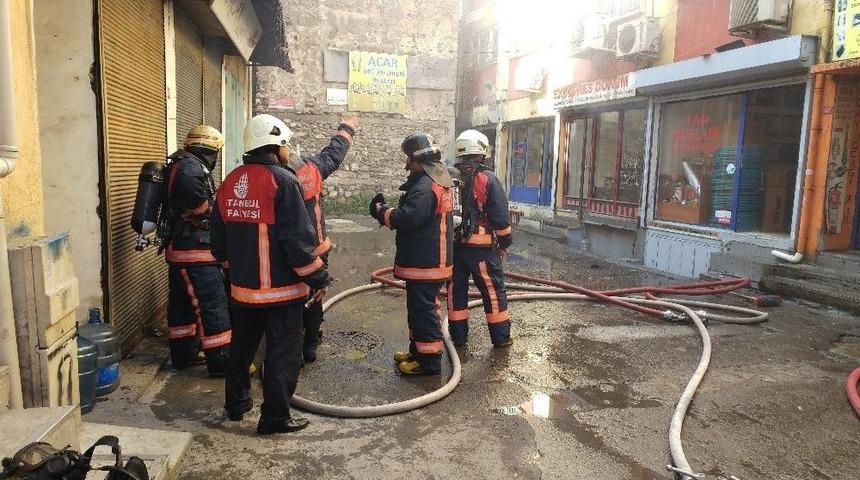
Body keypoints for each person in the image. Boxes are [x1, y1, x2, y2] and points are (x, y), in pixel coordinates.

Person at [211, 113, 331, 434]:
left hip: (242, 292)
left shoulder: (229, 182)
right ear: (276, 146)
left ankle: (236, 406)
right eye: (286, 145)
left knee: (241, 349)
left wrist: (232, 273)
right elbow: (297, 242)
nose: (289, 151)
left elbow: (218, 242)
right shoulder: (285, 181)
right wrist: (318, 277)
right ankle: (275, 418)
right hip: (281, 294)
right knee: (282, 355)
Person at [369, 132, 454, 375]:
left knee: (424, 311)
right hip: (428, 259)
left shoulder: (426, 186)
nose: (406, 165)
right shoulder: (435, 180)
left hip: (426, 261)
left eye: (409, 159)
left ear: (419, 160)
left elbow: (407, 218)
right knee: (418, 310)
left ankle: (429, 362)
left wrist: (380, 211)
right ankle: (417, 351)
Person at [163, 125, 231, 377]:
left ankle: (183, 355)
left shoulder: (182, 163)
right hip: (196, 252)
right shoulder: (191, 169)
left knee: (182, 307)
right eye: (215, 154)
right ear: (208, 151)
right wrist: (210, 213)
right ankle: (222, 361)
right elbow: (195, 200)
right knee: (212, 305)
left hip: (182, 250)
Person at [290, 114, 358, 363]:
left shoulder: (274, 178)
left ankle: (295, 344)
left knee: (293, 296)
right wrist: (347, 129)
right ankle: (310, 345)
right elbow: (334, 153)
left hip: (290, 251)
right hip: (318, 247)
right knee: (315, 294)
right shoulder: (312, 169)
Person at [447, 130, 513, 348]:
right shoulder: (488, 179)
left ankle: (458, 338)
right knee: (493, 292)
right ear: (481, 151)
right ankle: (501, 339)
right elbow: (500, 217)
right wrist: (505, 243)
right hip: (482, 251)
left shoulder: (448, 176)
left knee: (456, 292)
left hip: (454, 248)